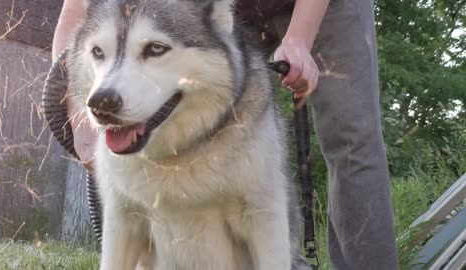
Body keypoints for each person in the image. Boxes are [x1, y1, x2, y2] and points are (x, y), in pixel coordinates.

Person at [53, 0, 400, 269]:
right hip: (208, 10)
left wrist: (299, 39)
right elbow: (79, 16)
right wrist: (82, 133)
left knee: (351, 138)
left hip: (317, 8)